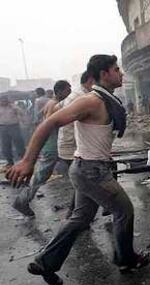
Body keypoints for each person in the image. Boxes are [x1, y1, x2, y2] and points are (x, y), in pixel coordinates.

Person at [7, 54, 150, 285]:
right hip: (91, 171)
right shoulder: (92, 101)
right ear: (104, 74)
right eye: (116, 70)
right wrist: (27, 161)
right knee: (124, 210)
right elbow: (49, 123)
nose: (121, 74)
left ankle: (45, 262)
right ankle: (127, 260)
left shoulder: (104, 100)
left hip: (87, 168)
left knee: (81, 218)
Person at [12, 80, 72, 217]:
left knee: (77, 173)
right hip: (53, 145)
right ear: (61, 91)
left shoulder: (50, 103)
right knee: (42, 175)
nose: (69, 93)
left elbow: (39, 118)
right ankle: (22, 200)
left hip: (56, 144)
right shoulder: (55, 104)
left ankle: (77, 211)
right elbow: (50, 124)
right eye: (68, 90)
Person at [55, 71, 95, 219]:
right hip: (71, 147)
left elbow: (56, 109)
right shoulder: (80, 96)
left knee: (81, 183)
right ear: (91, 80)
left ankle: (76, 215)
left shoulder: (78, 95)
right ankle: (75, 217)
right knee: (83, 183)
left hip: (69, 146)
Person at [0, 96, 26, 170]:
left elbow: (22, 113)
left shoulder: (13, 107)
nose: (3, 102)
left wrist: (14, 107)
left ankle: (23, 160)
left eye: (4, 100)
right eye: (2, 101)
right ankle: (10, 162)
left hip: (14, 126)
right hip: (3, 127)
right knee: (5, 145)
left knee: (19, 143)